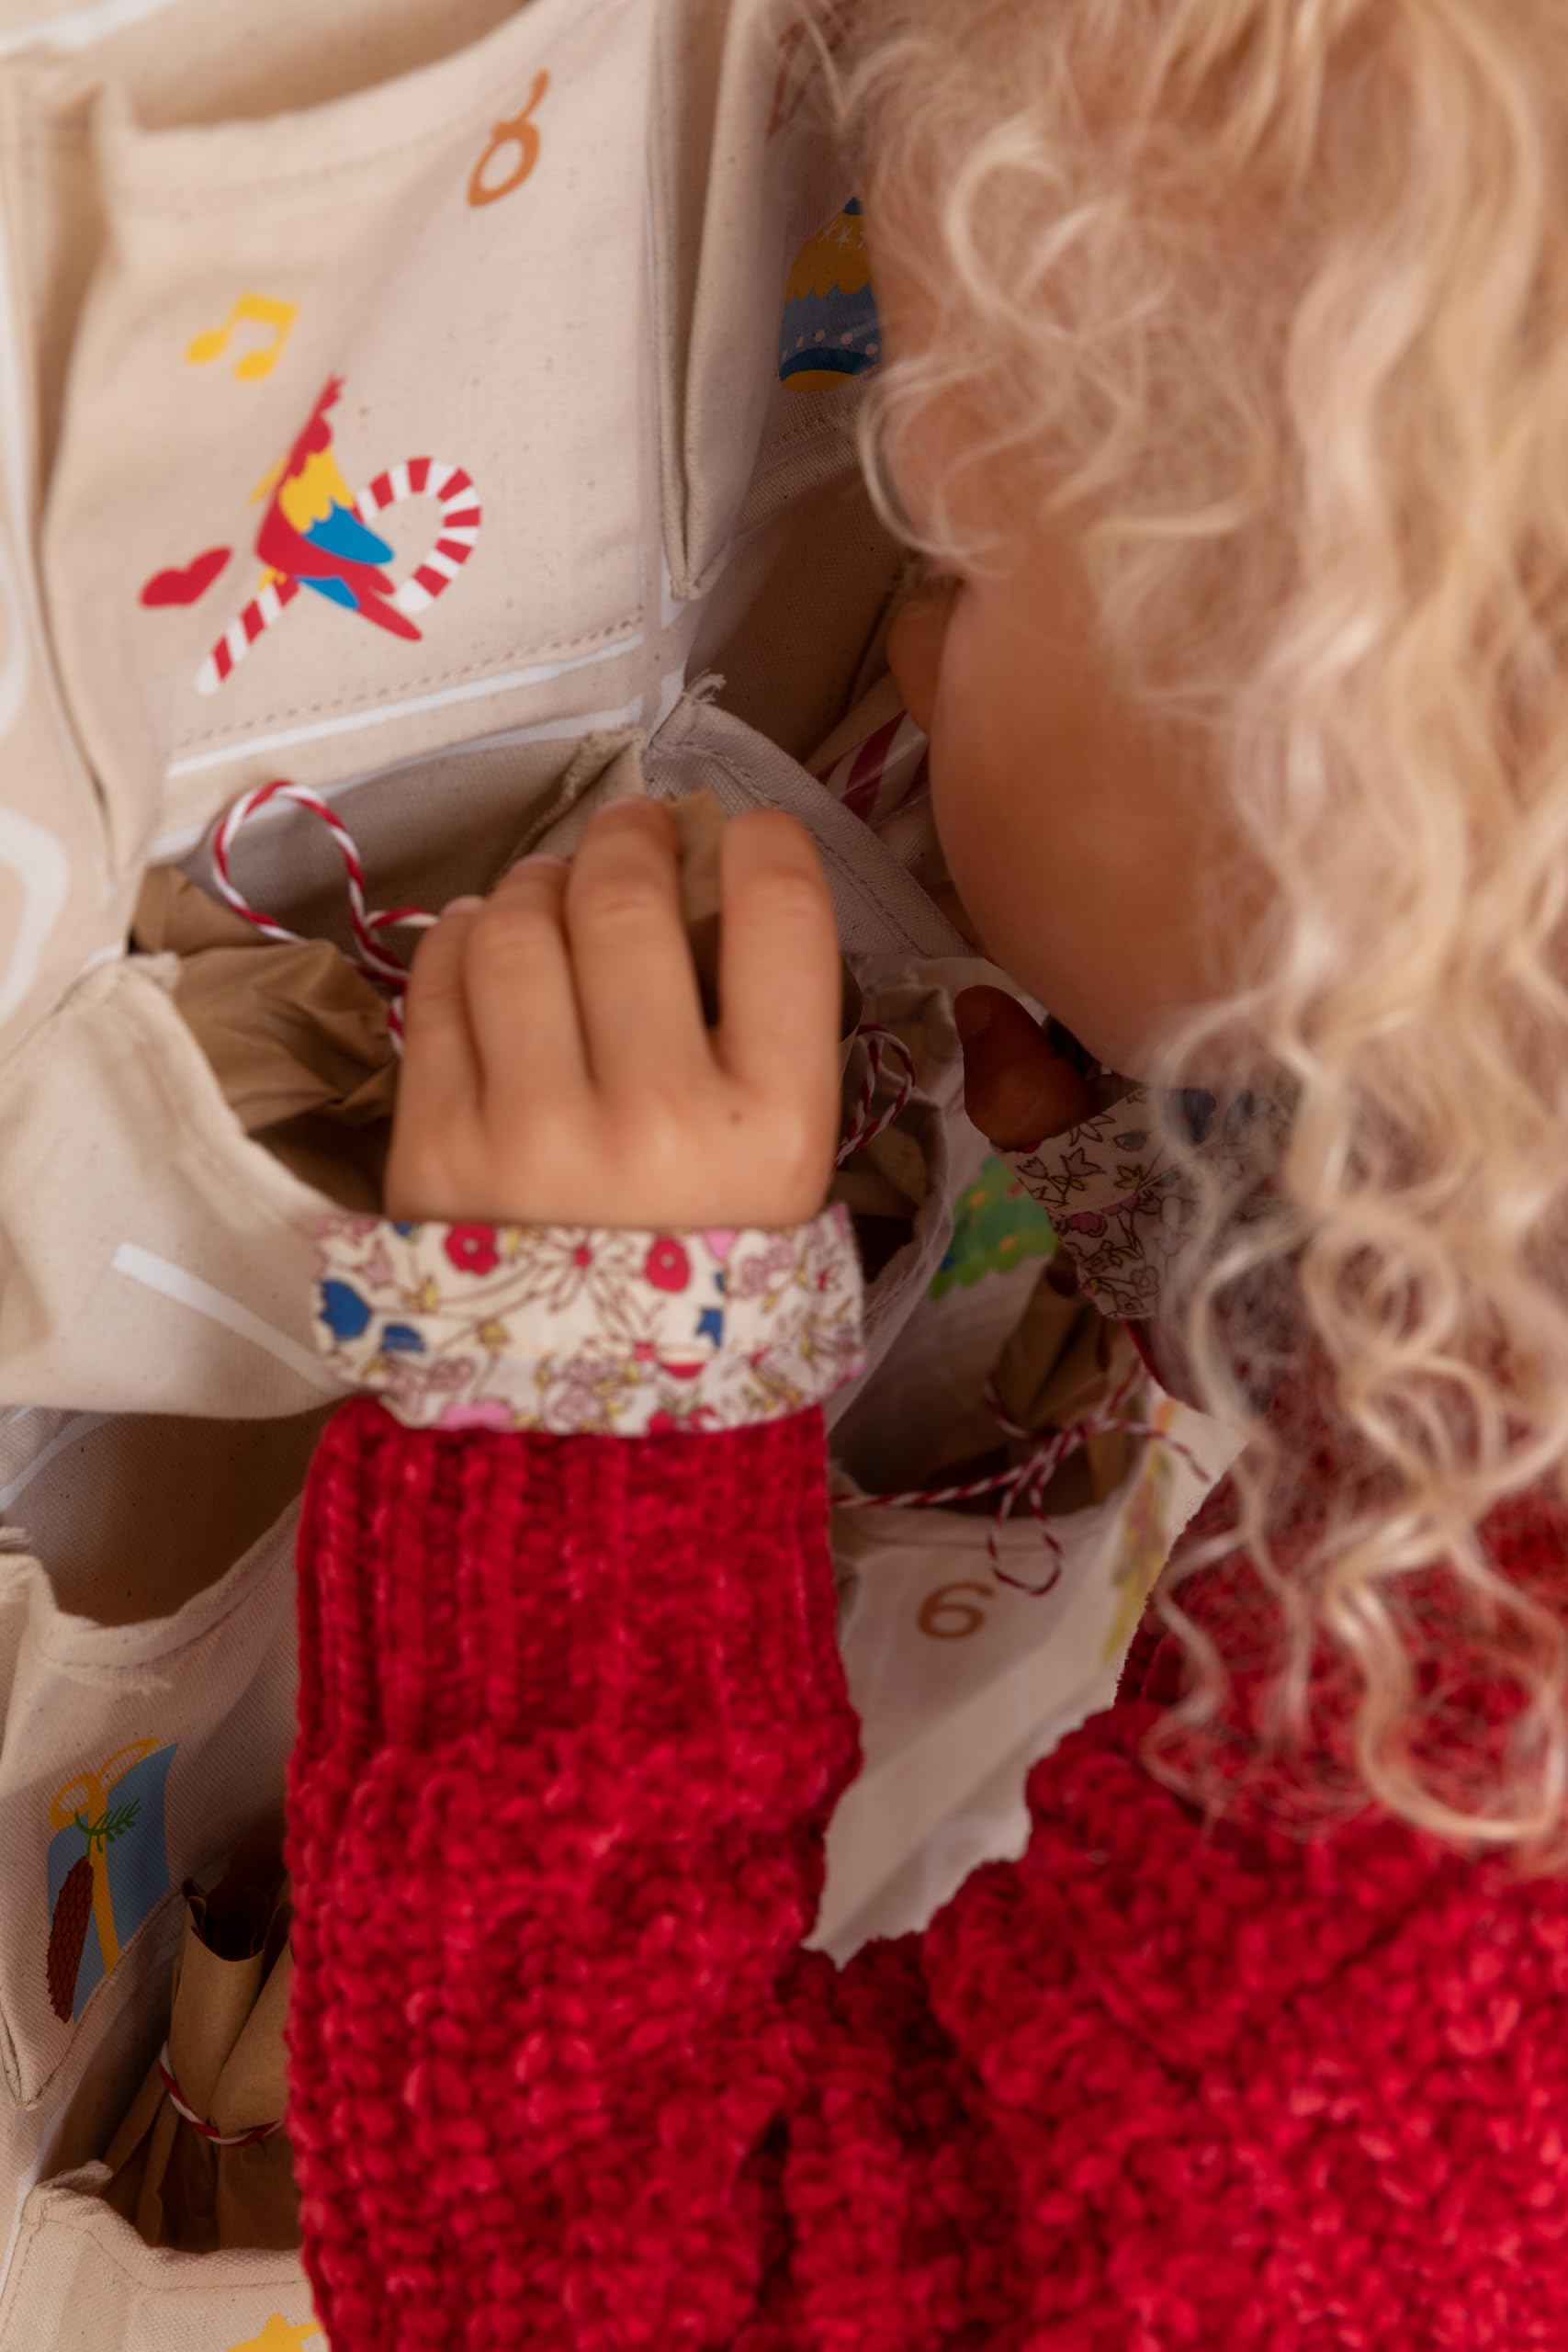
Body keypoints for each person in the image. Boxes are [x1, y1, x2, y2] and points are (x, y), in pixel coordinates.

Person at [284, 3, 1568, 2342]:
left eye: (963, 560)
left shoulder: (1436, 1936)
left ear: (1361, 809)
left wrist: (593, 1387)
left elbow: (619, 2297)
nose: (896, 634)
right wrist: (1232, 1215)